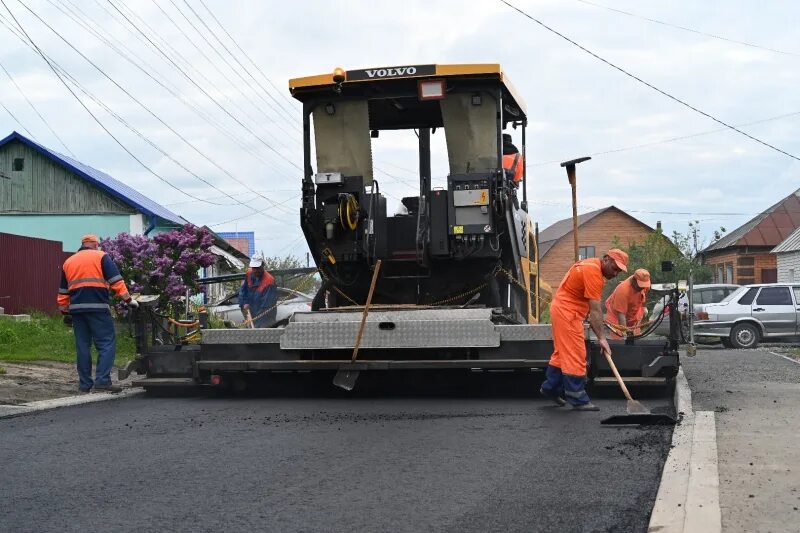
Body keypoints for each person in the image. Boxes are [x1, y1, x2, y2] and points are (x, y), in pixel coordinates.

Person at [540, 249, 628, 411]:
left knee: (563, 354)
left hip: (565, 311)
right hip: (567, 314)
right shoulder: (593, 272)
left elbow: (585, 302)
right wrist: (602, 338)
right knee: (576, 354)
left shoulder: (591, 265)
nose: (616, 274)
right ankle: (577, 397)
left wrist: (588, 315)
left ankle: (550, 388)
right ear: (606, 259)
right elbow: (595, 310)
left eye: (619, 271)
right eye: (615, 268)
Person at [57, 234, 137, 393]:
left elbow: (63, 291)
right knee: (106, 343)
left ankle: (85, 384)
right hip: (98, 308)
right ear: (94, 244)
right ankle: (102, 381)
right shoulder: (101, 257)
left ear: (83, 245)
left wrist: (65, 311)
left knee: (83, 346)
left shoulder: (69, 261)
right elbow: (116, 281)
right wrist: (129, 301)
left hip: (78, 311)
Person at [605, 268, 651, 339]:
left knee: (636, 341)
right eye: (640, 286)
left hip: (632, 317)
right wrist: (624, 334)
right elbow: (621, 315)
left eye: (644, 286)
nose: (642, 288)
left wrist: (643, 308)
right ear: (634, 280)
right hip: (617, 319)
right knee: (620, 343)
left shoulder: (644, 284)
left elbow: (644, 295)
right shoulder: (622, 291)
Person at [239, 255, 278, 328]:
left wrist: (256, 323)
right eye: (253, 268)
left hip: (266, 317)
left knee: (263, 334)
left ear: (263, 266)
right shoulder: (249, 273)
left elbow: (266, 307)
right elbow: (243, 290)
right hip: (251, 311)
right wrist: (244, 303)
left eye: (257, 268)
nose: (255, 270)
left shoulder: (269, 282)